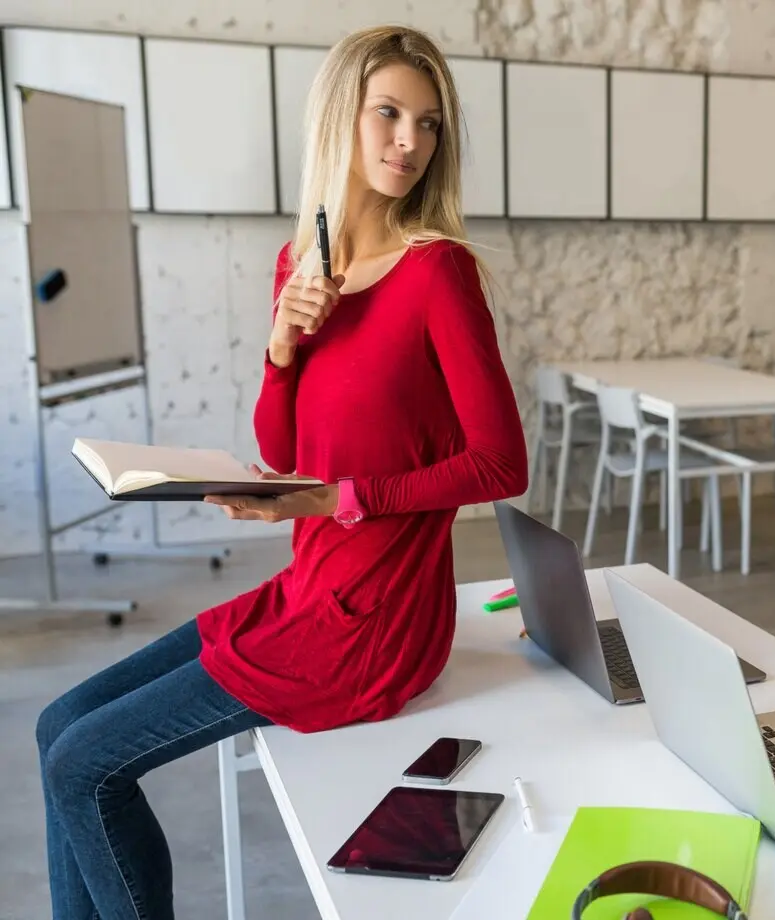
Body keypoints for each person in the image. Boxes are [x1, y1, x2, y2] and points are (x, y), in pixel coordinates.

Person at [35, 25, 528, 920]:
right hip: (309, 590)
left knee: (82, 765)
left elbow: (501, 463)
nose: (408, 142)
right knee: (55, 728)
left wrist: (344, 499)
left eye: (427, 124)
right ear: (342, 114)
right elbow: (284, 453)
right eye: (388, 113)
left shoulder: (438, 274)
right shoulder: (300, 266)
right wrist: (283, 341)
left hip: (371, 624)